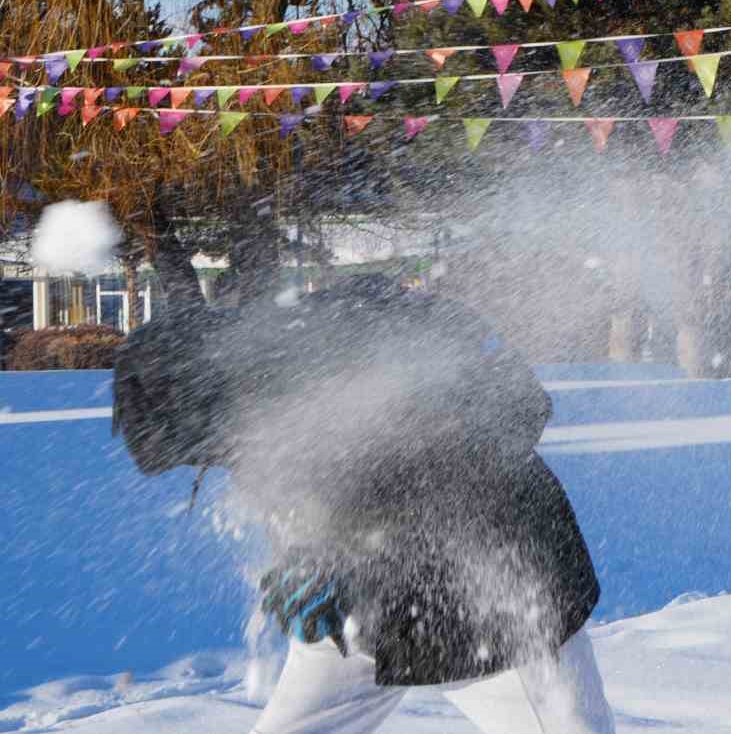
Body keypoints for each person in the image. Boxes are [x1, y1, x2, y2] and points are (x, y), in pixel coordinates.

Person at [113, 276, 615, 734]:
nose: (205, 462)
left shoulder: (338, 352)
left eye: (193, 451)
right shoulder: (254, 392)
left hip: (500, 602)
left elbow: (517, 409)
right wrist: (301, 566)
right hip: (361, 619)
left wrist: (342, 546)